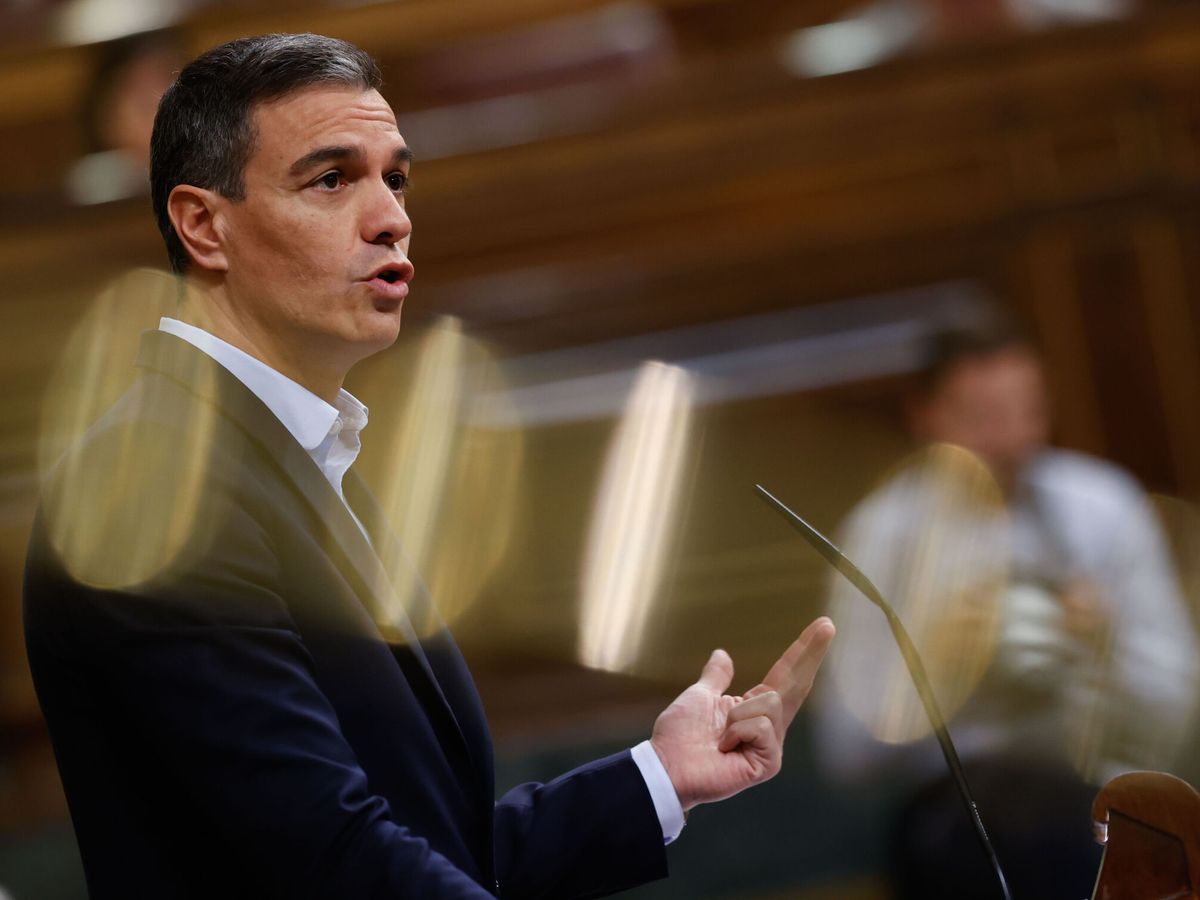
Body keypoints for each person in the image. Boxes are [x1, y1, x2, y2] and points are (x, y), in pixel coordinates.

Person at [23, 33, 835, 899]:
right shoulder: (159, 482)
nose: (392, 218)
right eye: (332, 179)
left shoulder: (294, 452)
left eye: (396, 178)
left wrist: (661, 776)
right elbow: (333, 864)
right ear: (203, 225)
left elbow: (430, 844)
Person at [816, 316, 1198, 898]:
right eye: (983, 418)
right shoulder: (881, 538)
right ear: (926, 416)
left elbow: (1182, 702)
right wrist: (937, 669)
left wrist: (1106, 646)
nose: (1013, 439)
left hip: (1099, 796)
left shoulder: (1104, 506)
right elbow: (848, 757)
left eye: (1029, 412)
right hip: (962, 812)